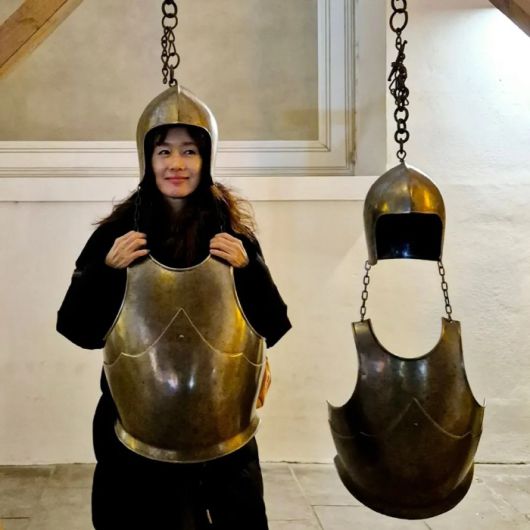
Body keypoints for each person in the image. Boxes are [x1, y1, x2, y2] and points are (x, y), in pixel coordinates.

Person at [57, 86, 291, 529]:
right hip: (135, 437)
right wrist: (106, 271)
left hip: (224, 436)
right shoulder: (116, 235)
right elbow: (76, 329)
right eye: (164, 151)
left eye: (189, 151)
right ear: (147, 158)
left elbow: (273, 326)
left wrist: (248, 270)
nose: (176, 164)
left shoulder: (233, 235)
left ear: (207, 159)